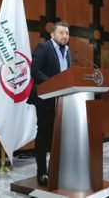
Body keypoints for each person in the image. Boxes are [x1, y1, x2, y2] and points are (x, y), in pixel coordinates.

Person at [29, 21, 71, 186]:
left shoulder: (67, 52)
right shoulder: (44, 48)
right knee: (44, 135)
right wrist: (54, 83)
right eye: (61, 33)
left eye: (67, 33)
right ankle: (42, 172)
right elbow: (35, 71)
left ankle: (57, 170)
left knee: (59, 136)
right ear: (52, 34)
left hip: (62, 100)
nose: (64, 36)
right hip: (45, 99)